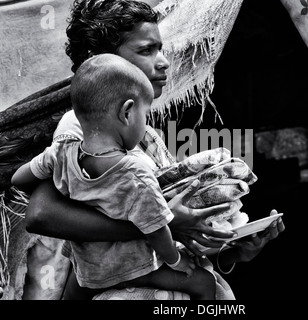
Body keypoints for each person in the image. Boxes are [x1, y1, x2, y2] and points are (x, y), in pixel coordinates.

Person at [23, 0, 285, 299]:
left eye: (160, 48)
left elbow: (153, 254)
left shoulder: (144, 135)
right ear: (105, 63)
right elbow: (41, 214)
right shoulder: (83, 130)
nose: (163, 61)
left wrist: (234, 252)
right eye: (146, 50)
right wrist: (161, 223)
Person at [12, 53, 219, 300]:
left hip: (88, 273)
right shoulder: (135, 172)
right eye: (146, 114)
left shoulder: (61, 153)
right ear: (127, 112)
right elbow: (156, 228)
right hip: (132, 268)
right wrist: (177, 261)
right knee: (206, 284)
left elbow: (19, 180)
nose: (145, 124)